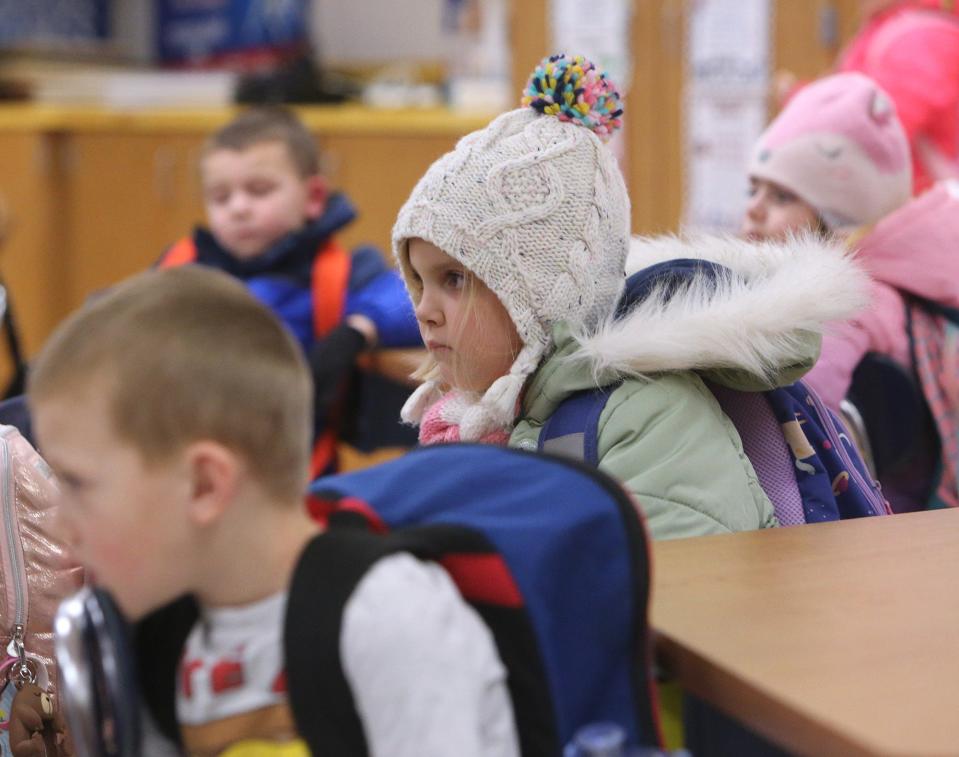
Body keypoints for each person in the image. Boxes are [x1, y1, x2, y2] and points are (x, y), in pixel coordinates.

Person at [28, 266, 519, 756]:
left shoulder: (390, 619)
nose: (60, 524)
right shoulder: (158, 638)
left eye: (78, 484)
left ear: (204, 484)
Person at [392, 54, 869, 540]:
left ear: (540, 296)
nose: (424, 311)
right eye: (418, 281)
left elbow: (680, 594)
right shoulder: (465, 420)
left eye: (454, 279)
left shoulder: (646, 417)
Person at [158, 106, 421, 476]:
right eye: (220, 197)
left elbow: (418, 294)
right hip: (184, 474)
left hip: (299, 481)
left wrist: (358, 328)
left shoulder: (339, 273)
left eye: (259, 190)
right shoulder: (178, 267)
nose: (238, 208)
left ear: (313, 197)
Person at [743, 71, 959, 511]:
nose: (755, 209)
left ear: (839, 220)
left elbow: (798, 405)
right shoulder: (896, 284)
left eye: (782, 197)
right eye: (754, 187)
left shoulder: (852, 302)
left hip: (878, 525)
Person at [837, 0, 959, 194]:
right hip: (908, 195)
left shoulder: (915, 39)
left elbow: (882, 133)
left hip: (917, 203)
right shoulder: (894, 28)